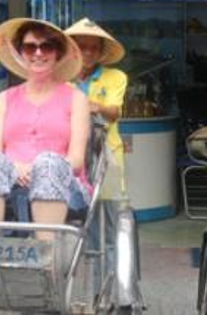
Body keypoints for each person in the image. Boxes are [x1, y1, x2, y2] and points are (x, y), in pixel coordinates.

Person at [0, 18, 89, 239]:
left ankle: (47, 255)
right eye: (29, 47)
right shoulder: (2, 100)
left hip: (61, 180)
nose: (37, 53)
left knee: (48, 163)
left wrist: (37, 167)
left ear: (58, 54)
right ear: (20, 53)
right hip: (8, 180)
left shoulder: (76, 99)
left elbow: (76, 159)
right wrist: (16, 168)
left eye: (46, 46)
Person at [65, 17, 128, 274]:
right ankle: (83, 290)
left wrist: (89, 106)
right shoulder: (60, 77)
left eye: (94, 48)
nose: (88, 53)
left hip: (107, 158)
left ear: (101, 52)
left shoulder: (116, 77)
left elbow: (113, 112)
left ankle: (114, 289)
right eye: (82, 47)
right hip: (70, 157)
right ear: (73, 49)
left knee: (111, 227)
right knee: (80, 225)